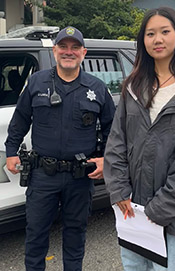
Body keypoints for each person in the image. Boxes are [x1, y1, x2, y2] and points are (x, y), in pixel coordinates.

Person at [103, 7, 175, 271]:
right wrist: (119, 191)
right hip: (132, 210)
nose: (157, 39)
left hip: (171, 213)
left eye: (165, 31)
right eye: (150, 33)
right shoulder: (133, 86)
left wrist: (158, 210)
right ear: (143, 40)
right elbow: (116, 143)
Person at [5, 26, 115, 271]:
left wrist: (105, 158)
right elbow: (20, 120)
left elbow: (113, 129)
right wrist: (11, 152)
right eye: (63, 47)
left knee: (76, 235)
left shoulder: (96, 88)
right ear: (55, 51)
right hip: (43, 175)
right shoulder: (36, 82)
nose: (69, 52)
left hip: (80, 176)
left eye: (75, 47)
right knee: (35, 235)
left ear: (83, 52)